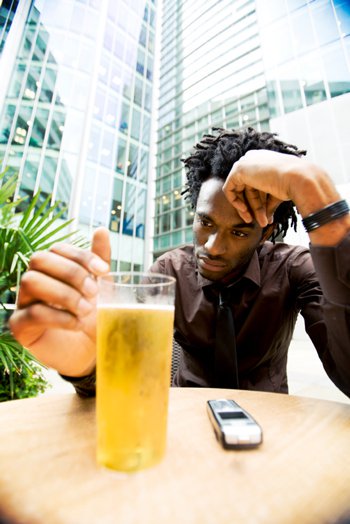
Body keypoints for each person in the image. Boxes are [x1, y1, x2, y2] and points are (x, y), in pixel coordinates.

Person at [9, 127, 350, 397]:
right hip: (180, 423)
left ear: (266, 234)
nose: (213, 247)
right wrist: (89, 366)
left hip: (273, 427)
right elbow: (130, 372)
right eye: (206, 223)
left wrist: (317, 194)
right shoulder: (168, 271)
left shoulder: (294, 269)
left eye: (240, 232)